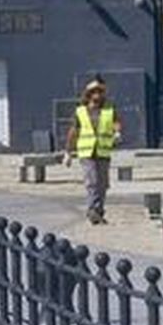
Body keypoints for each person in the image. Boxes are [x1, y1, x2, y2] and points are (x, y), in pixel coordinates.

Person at [65, 78, 116, 225]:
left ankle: (99, 211)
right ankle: (92, 210)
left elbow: (116, 123)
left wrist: (117, 132)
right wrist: (68, 152)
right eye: (94, 92)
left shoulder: (109, 110)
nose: (98, 95)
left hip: (103, 152)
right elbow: (73, 131)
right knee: (92, 182)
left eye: (100, 92)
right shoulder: (80, 111)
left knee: (103, 184)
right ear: (88, 94)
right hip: (87, 153)